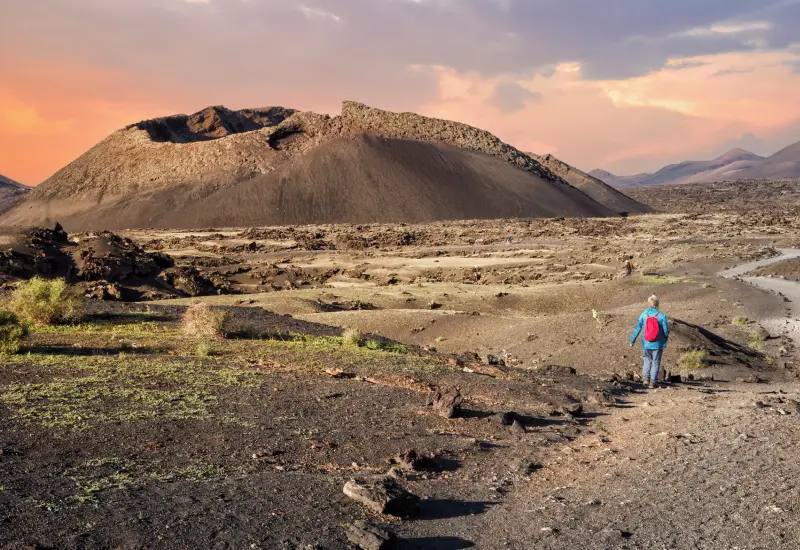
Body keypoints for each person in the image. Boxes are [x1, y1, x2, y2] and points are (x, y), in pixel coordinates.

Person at [629, 295, 669, 388]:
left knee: (647, 360)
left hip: (646, 343)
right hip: (658, 344)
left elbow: (637, 328)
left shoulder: (644, 314)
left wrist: (632, 340)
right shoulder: (661, 315)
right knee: (656, 362)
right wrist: (665, 338)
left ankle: (646, 379)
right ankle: (653, 382)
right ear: (657, 304)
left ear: (649, 304)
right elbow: (666, 330)